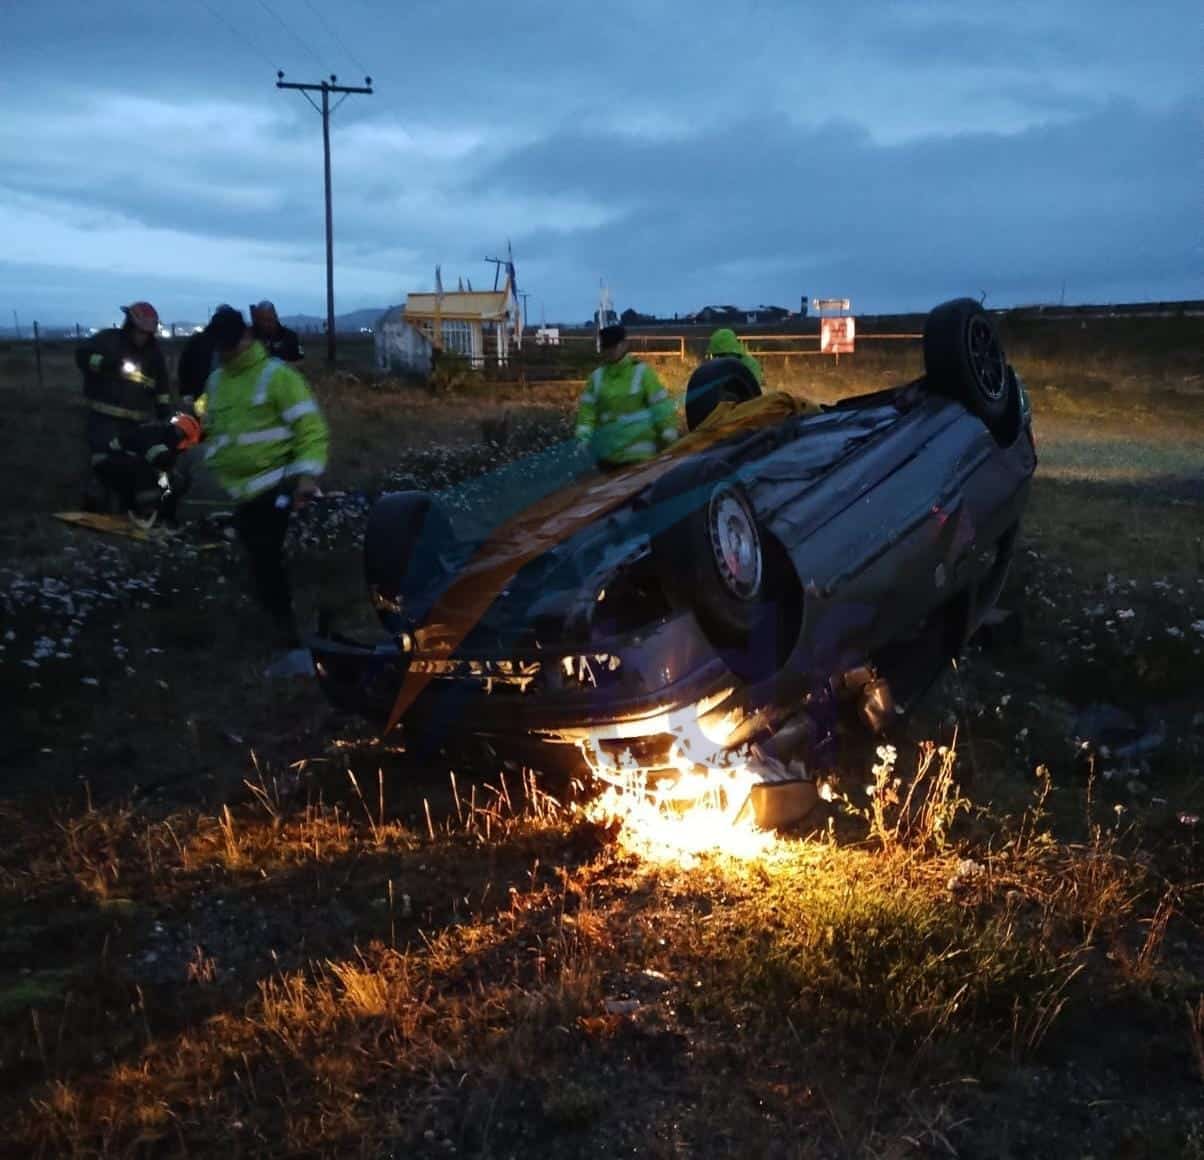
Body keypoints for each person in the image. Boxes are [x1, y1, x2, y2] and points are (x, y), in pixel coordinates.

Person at [202, 308, 328, 665]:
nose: (225, 352)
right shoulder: (216, 381)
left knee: (266, 558)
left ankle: (287, 638)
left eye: (230, 344)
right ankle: (278, 626)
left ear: (246, 338)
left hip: (277, 484)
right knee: (259, 560)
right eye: (220, 346)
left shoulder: (277, 376)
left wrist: (306, 477)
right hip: (239, 491)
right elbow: (210, 423)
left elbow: (311, 428)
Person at [75, 301, 174, 513]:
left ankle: (128, 508)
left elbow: (162, 385)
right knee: (102, 462)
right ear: (129, 325)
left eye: (148, 333)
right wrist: (105, 364)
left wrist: (164, 410)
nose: (143, 337)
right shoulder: (108, 341)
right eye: (140, 332)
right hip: (103, 419)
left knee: (133, 464)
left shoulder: (153, 353)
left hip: (136, 422)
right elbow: (82, 356)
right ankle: (94, 506)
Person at [574, 324, 678, 468]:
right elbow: (587, 413)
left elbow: (660, 406)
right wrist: (583, 438)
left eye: (613, 346)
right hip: (608, 459)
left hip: (641, 457)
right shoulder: (596, 378)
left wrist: (668, 431)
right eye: (606, 347)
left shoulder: (643, 373)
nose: (609, 351)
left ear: (624, 345)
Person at [177, 304, 240, 412]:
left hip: (203, 395)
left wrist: (186, 392)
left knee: (202, 420)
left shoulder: (198, 340)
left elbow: (184, 368)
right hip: (219, 397)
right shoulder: (234, 342)